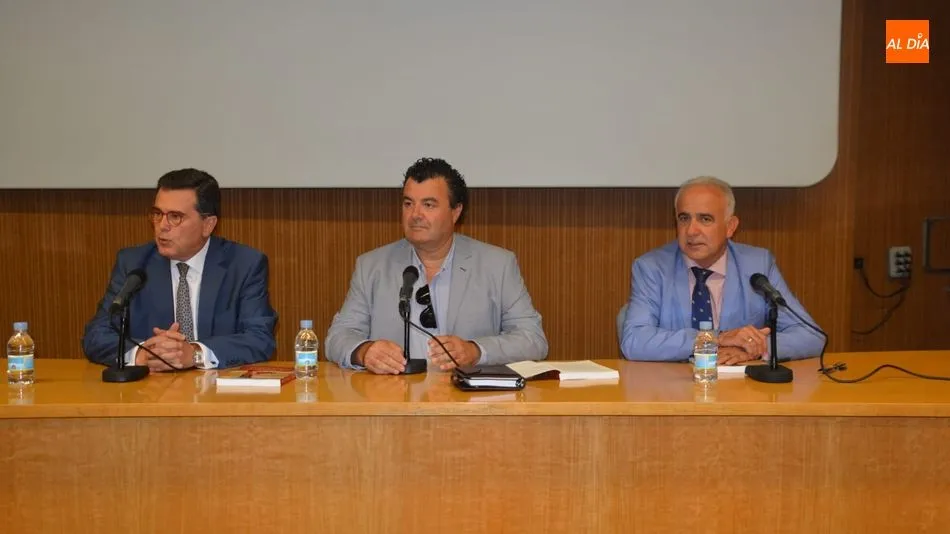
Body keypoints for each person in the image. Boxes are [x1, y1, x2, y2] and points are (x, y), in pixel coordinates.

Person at [326, 157, 548, 374]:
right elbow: (339, 336)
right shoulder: (372, 266)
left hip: (467, 404)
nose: (415, 215)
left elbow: (532, 339)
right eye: (408, 203)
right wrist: (364, 352)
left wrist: (476, 350)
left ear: (456, 212)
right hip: (394, 401)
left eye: (428, 204)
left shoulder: (497, 265)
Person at [82, 168, 277, 371]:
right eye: (157, 214)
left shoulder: (244, 264)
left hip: (217, 395)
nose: (162, 226)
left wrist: (195, 353)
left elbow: (259, 338)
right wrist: (143, 353)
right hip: (150, 395)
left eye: (175, 216)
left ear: (208, 225)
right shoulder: (134, 263)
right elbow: (97, 334)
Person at [620, 176, 823, 363]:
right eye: (684, 219)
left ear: (730, 227)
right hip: (672, 390)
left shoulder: (758, 265)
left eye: (705, 219)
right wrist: (716, 339)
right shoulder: (652, 267)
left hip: (742, 394)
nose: (691, 231)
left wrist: (752, 348)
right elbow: (634, 340)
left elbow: (810, 335)